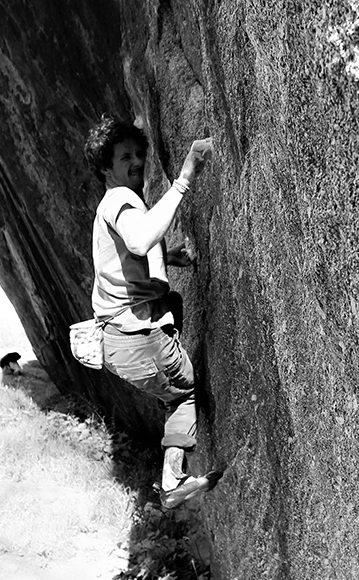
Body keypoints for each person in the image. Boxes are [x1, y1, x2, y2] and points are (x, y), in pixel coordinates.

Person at [83, 116, 220, 509]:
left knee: (173, 387)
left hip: (119, 342)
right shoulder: (120, 200)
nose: (138, 161)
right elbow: (141, 238)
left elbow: (120, 263)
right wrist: (186, 177)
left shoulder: (107, 208)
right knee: (184, 393)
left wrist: (168, 258)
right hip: (137, 337)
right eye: (125, 156)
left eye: (140, 154)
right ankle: (173, 479)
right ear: (105, 167)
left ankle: (173, 476)